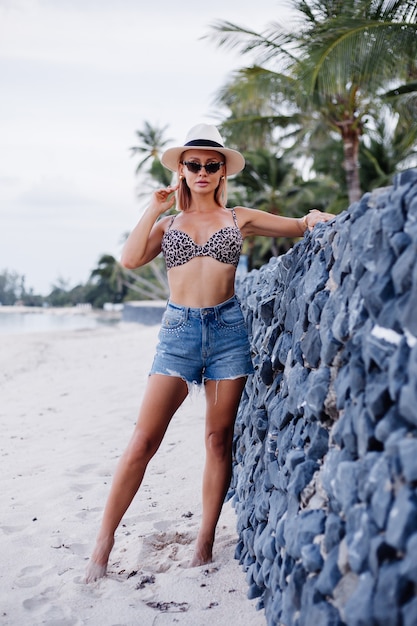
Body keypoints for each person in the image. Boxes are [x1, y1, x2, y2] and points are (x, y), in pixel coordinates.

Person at [84, 124, 333, 583]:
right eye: (193, 163)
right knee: (143, 440)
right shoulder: (168, 224)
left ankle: (203, 541)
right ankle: (103, 543)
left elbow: (298, 226)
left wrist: (314, 220)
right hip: (178, 335)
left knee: (218, 441)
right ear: (182, 169)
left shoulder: (239, 218)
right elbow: (130, 258)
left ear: (222, 172)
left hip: (227, 335)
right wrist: (155, 205)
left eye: (210, 164)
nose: (202, 171)